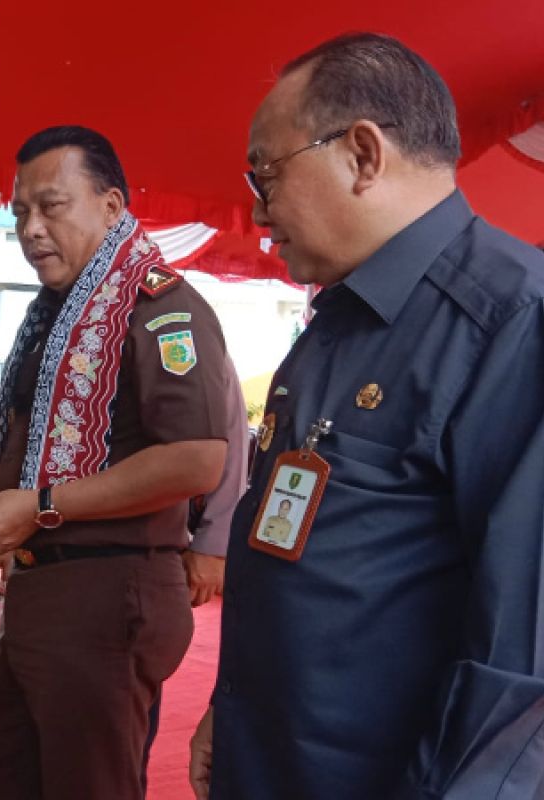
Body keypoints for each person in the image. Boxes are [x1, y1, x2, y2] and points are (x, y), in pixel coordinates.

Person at [190, 33, 544, 800]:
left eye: (267, 175)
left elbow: (522, 664)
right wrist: (231, 703)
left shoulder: (512, 324)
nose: (259, 212)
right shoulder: (333, 325)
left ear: (362, 155)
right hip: (271, 756)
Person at [0, 125, 233, 800]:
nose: (30, 229)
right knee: (7, 781)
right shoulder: (53, 316)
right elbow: (21, 438)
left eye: (51, 206)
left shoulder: (163, 308)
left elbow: (198, 460)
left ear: (111, 208)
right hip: (41, 593)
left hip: (108, 594)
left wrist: (43, 504)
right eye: (20, 212)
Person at [141, 360, 249, 795]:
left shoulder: (171, 310)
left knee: (121, 720)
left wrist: (213, 543)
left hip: (149, 551)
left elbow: (231, 435)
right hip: (58, 557)